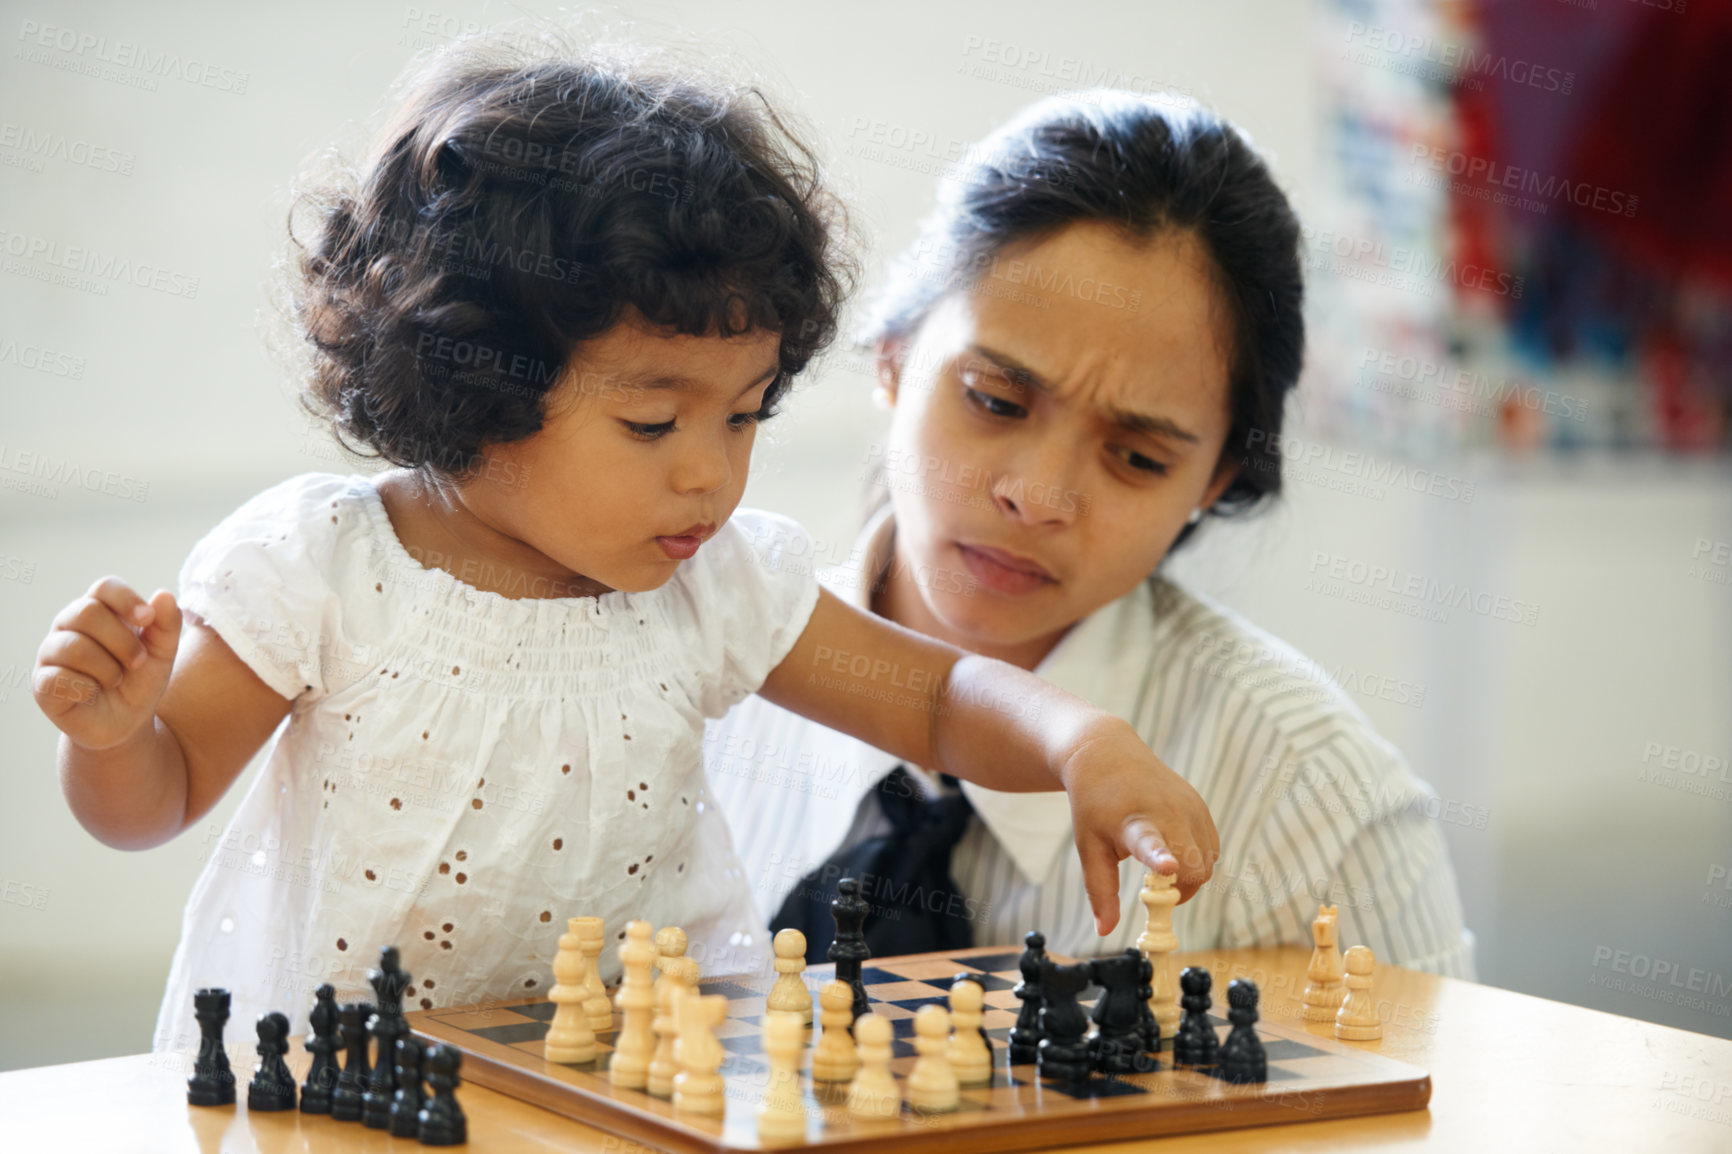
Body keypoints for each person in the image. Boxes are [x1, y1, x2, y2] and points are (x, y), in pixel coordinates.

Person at [33, 43, 1217, 1054]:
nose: (710, 469)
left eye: (745, 413)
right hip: (349, 1093)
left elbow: (937, 701)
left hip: (632, 1078)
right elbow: (158, 796)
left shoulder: (716, 584)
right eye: (651, 422)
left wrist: (1076, 738)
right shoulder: (328, 568)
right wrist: (112, 733)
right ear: (471, 383)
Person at [706, 90, 1475, 977]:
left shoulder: (1310, 797)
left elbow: (1438, 1106)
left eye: (1138, 458)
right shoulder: (688, 677)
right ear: (893, 355)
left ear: (1215, 481)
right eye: (995, 401)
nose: (1039, 497)